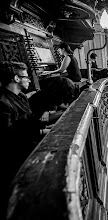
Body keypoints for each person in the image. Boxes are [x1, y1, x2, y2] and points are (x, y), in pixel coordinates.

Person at [0, 61, 44, 218]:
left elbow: (30, 122)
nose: (30, 80)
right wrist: (40, 131)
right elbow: (8, 137)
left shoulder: (22, 96)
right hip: (15, 157)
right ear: (16, 79)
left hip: (30, 144)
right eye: (26, 77)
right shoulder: (2, 103)